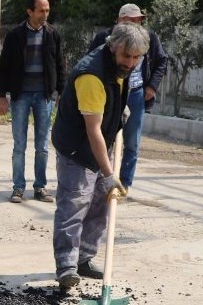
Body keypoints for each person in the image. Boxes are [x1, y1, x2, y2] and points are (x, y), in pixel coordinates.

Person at [50, 23, 148, 291]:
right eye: (126, 56)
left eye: (136, 57)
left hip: (99, 141)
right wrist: (108, 174)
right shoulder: (91, 75)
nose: (131, 62)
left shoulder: (121, 68)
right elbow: (92, 131)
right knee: (74, 205)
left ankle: (84, 258)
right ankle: (66, 267)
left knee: (100, 206)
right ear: (113, 47)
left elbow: (112, 99)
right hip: (76, 147)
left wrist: (120, 109)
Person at [86, 3, 169, 194]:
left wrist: (151, 87)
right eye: (132, 20)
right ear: (120, 19)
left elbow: (162, 60)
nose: (137, 23)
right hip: (110, 94)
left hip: (136, 94)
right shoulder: (105, 38)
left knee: (132, 142)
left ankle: (125, 184)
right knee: (104, 137)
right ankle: (100, 179)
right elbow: (91, 60)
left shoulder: (148, 38)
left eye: (139, 20)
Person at [0, 0, 66, 204]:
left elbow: (60, 65)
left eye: (47, 10)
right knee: (19, 145)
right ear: (30, 11)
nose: (45, 14)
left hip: (45, 97)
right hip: (20, 96)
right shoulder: (15, 35)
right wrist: (2, 96)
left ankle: (40, 187)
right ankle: (18, 188)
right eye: (41, 10)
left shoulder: (52, 34)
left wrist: (61, 93)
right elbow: (4, 66)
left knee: (43, 146)